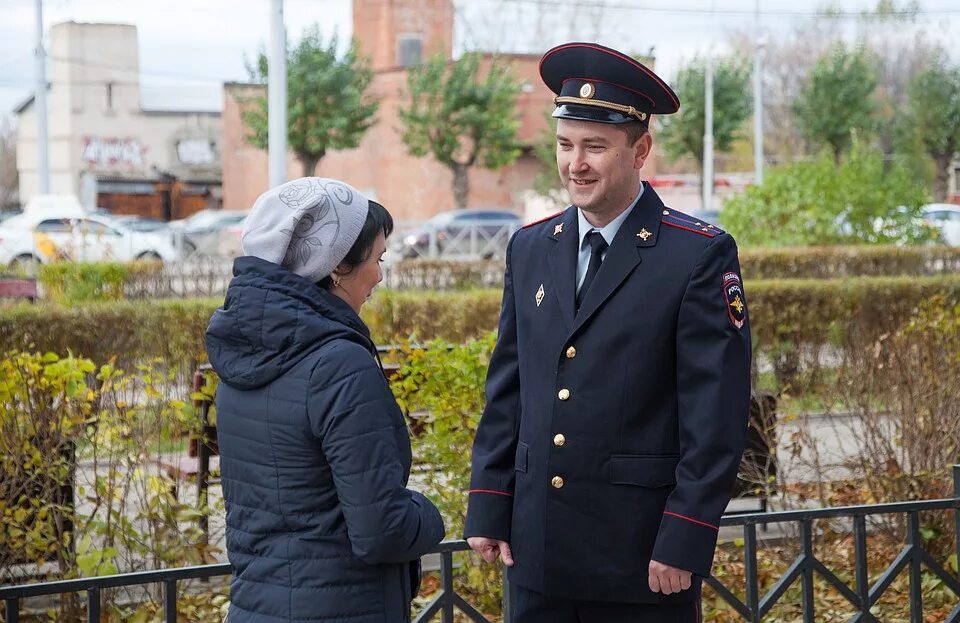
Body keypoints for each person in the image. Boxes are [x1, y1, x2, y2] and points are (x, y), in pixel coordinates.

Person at [464, 42, 752, 622]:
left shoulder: (695, 255)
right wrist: (490, 505)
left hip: (640, 558)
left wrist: (685, 536)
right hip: (538, 548)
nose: (577, 164)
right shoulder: (529, 247)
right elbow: (510, 387)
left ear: (641, 148)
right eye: (566, 145)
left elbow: (714, 415)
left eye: (596, 147)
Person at [206, 177, 445, 623]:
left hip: (257, 605)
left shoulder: (242, 351)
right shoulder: (339, 365)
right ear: (336, 266)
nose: (380, 274)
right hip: (341, 608)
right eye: (378, 258)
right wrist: (429, 514)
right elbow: (382, 530)